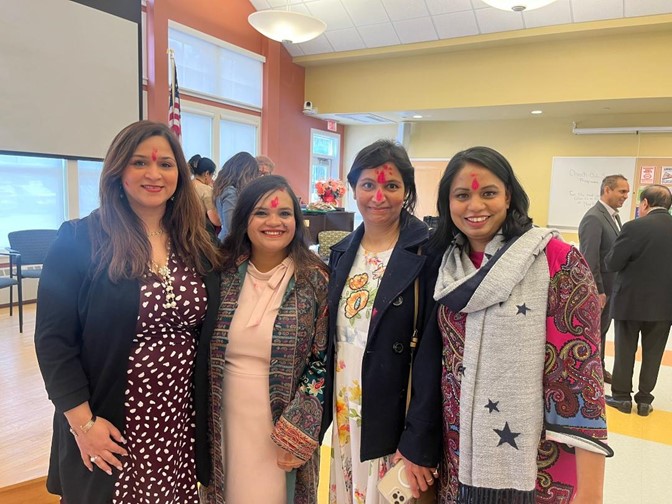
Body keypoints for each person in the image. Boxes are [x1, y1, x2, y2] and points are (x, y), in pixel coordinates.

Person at [34, 120, 222, 504]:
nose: (154, 174)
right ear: (118, 170)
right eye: (140, 163)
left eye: (166, 165)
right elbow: (53, 341)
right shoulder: (80, 239)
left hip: (178, 424)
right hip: (110, 422)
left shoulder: (196, 243)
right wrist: (82, 423)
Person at [417, 146, 613, 503]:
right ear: (447, 204)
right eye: (462, 195)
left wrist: (592, 493)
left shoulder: (557, 260)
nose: (475, 206)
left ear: (509, 196)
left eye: (488, 192)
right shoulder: (447, 266)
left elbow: (580, 381)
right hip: (459, 457)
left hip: (536, 463)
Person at [321, 139, 441, 503]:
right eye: (368, 185)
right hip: (347, 407)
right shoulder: (341, 253)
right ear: (353, 187)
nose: (378, 196)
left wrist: (419, 436)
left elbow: (435, 354)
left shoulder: (429, 252)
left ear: (406, 191)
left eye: (391, 186)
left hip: (395, 416)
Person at [200, 175, 329, 503]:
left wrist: (299, 430)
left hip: (283, 422)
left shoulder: (315, 279)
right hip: (224, 416)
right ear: (244, 219)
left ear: (297, 222)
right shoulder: (219, 273)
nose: (274, 222)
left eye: (284, 214)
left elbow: (324, 361)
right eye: (261, 213)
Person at [604, 184, 672, 416]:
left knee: (625, 351)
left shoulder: (634, 227)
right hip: (665, 306)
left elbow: (612, 263)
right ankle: (644, 401)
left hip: (629, 303)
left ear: (645, 204)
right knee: (654, 353)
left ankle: (622, 397)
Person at [578, 174, 630, 383]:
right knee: (594, 332)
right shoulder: (594, 217)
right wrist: (598, 290)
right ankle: (590, 373)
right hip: (600, 289)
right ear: (607, 190)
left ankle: (598, 368)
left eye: (627, 192)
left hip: (611, 288)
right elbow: (590, 259)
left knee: (602, 330)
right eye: (622, 191)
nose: (626, 196)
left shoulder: (613, 216)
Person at [213, 151, 260, 241]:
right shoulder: (230, 192)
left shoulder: (226, 190)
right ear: (245, 173)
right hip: (231, 245)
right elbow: (231, 226)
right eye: (252, 175)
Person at [189, 154, 222, 229]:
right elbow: (215, 220)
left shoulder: (187, 185)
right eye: (212, 175)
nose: (212, 179)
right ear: (207, 174)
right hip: (200, 231)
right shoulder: (206, 190)